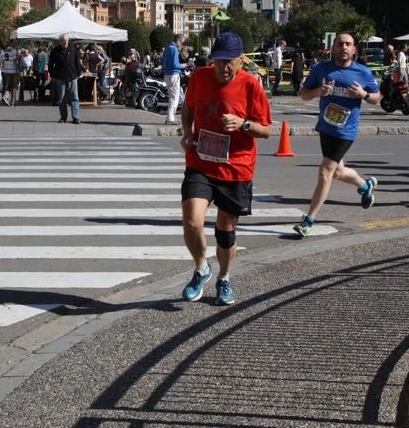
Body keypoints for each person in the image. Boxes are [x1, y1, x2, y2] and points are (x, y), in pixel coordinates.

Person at [179, 31, 272, 305]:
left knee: (225, 231)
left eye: (229, 61)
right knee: (192, 221)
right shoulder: (199, 77)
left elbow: (266, 130)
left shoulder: (251, 86)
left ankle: (224, 278)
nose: (223, 67)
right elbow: (188, 108)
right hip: (201, 161)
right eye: (219, 60)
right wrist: (186, 132)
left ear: (241, 60)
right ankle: (201, 268)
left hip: (236, 167)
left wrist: (243, 124)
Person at [292, 31, 381, 238]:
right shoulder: (322, 69)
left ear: (354, 49)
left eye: (348, 44)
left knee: (325, 171)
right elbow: (303, 95)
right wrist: (317, 92)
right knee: (338, 172)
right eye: (340, 44)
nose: (343, 47)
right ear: (333, 48)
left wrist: (364, 95)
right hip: (326, 128)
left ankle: (308, 220)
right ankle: (366, 185)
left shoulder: (363, 72)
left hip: (346, 131)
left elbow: (377, 98)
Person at [48, 33, 82, 124]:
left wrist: (78, 73)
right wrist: (52, 74)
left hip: (72, 76)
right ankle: (63, 117)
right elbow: (50, 64)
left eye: (66, 40)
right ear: (60, 41)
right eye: (63, 40)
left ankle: (75, 117)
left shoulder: (73, 49)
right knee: (61, 98)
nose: (65, 42)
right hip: (60, 77)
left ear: (68, 40)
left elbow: (77, 62)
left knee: (75, 97)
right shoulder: (55, 51)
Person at [162, 34, 188, 125]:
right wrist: (185, 65)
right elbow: (175, 65)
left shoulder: (167, 47)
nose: (181, 45)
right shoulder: (174, 49)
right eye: (182, 42)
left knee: (172, 97)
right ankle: (170, 118)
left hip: (167, 75)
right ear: (178, 40)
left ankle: (170, 118)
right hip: (173, 75)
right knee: (174, 98)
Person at [0, 39, 19, 106]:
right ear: (11, 43)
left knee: (7, 86)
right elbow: (14, 61)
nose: (15, 44)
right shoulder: (14, 51)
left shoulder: (4, 51)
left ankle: (5, 96)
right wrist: (17, 69)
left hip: (6, 70)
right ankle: (12, 101)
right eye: (14, 43)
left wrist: (3, 69)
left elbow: (2, 61)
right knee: (13, 86)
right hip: (13, 71)